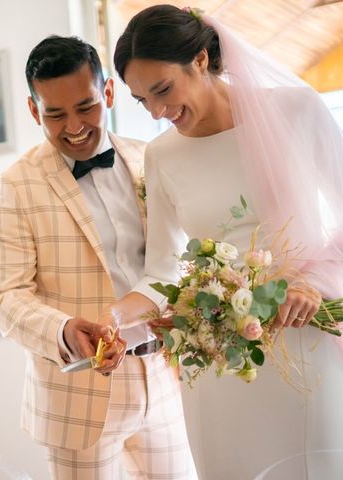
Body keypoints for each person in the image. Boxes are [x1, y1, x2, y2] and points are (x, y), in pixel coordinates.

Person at [110, 4, 343, 479]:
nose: (157, 113)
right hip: (217, 363)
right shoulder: (161, 156)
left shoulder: (295, 110)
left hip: (300, 343)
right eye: (141, 101)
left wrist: (313, 284)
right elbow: (162, 271)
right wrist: (114, 320)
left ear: (199, 60)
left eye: (162, 90)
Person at [0, 35, 197, 479]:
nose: (74, 126)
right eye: (55, 114)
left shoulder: (149, 160)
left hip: (163, 375)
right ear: (32, 110)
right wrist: (61, 331)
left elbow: (177, 258)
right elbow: (3, 297)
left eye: (86, 107)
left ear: (108, 93)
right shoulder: (16, 185)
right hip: (77, 394)